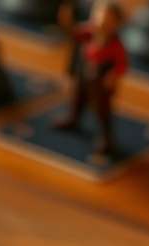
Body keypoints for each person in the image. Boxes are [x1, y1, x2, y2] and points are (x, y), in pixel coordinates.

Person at [54, 1, 127, 155]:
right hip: (83, 75)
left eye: (107, 18)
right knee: (77, 100)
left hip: (100, 83)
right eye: (98, 15)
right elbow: (73, 33)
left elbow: (121, 65)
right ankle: (73, 119)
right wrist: (65, 20)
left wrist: (112, 76)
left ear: (116, 23)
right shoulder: (89, 32)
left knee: (101, 111)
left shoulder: (115, 45)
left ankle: (107, 139)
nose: (100, 21)